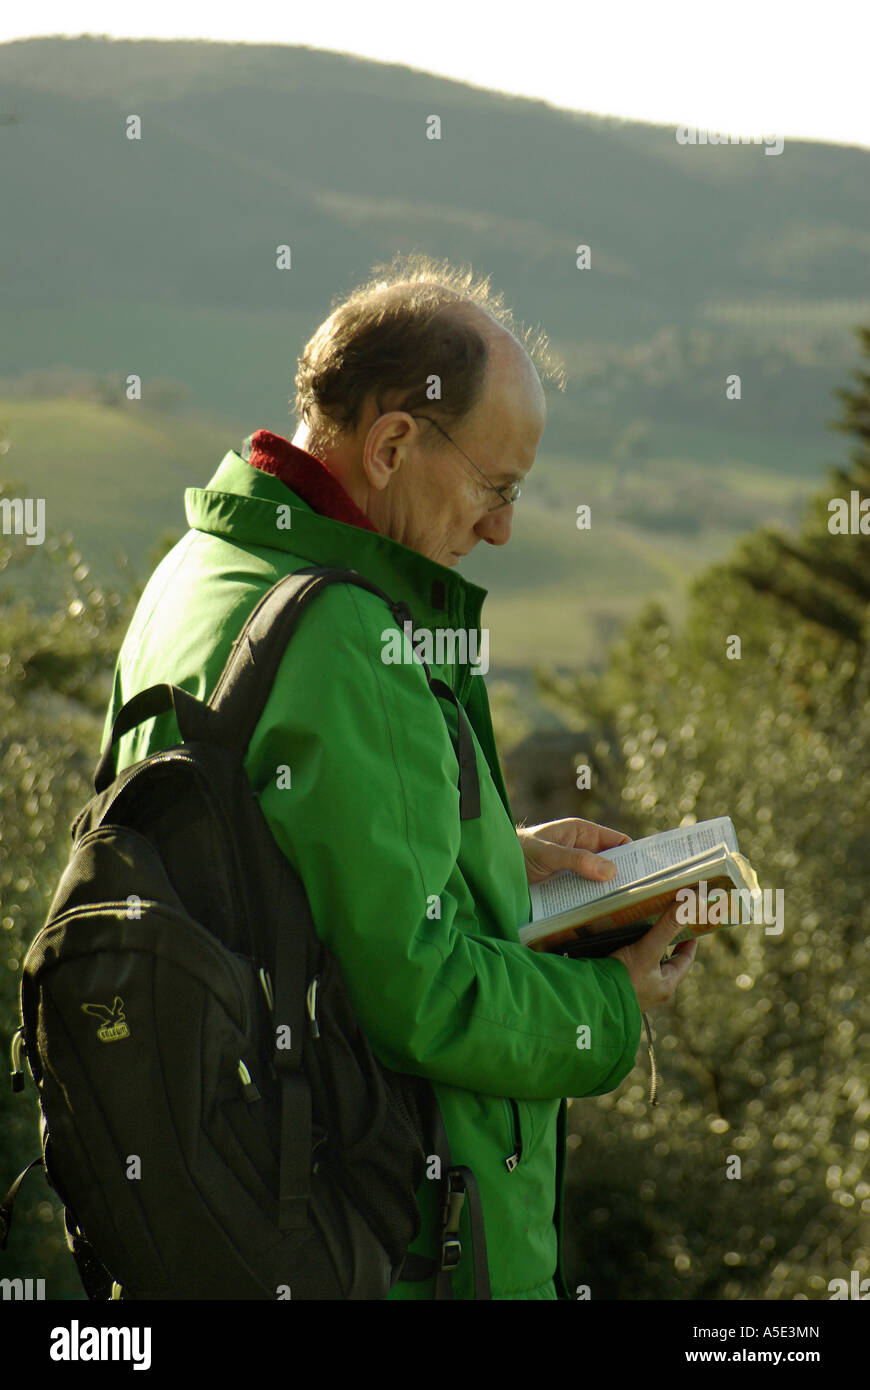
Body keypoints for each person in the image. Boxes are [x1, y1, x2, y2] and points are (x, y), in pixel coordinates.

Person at [101, 253, 697, 1300]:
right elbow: (424, 996)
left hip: (222, 1206)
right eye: (495, 487)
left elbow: (263, 855)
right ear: (391, 442)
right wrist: (611, 1002)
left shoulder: (195, 572)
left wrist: (482, 857)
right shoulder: (344, 634)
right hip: (389, 1244)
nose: (503, 528)